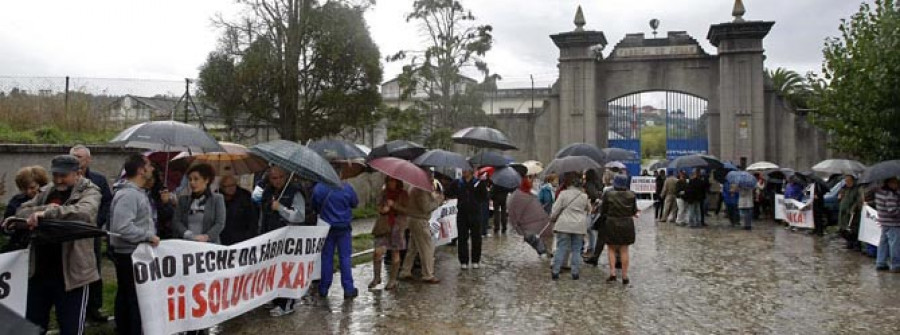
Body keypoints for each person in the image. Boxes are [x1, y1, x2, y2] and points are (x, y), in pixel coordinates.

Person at [4, 155, 102, 335]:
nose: (58, 180)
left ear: (78, 173)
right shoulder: (48, 190)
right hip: (39, 272)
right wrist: (42, 211)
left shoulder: (90, 191)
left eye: (63, 176)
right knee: (33, 326)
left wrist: (47, 214)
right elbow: (22, 210)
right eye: (55, 175)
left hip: (73, 276)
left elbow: (84, 213)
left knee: (71, 329)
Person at [109, 154, 160, 335]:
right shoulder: (130, 194)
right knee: (134, 299)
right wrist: (148, 236)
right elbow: (121, 227)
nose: (152, 169)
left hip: (132, 253)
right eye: (149, 166)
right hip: (130, 255)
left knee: (128, 296)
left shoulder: (134, 192)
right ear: (140, 170)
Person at [69, 145, 113, 323]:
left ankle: (93, 307)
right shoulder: (66, 179)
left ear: (88, 159)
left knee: (93, 270)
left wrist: (97, 222)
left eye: (79, 157)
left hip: (91, 231)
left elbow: (107, 203)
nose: (76, 160)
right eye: (73, 156)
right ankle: (73, 306)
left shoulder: (98, 180)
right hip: (71, 232)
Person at [258, 166, 307, 316]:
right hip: (270, 236)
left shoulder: (294, 192)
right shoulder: (267, 192)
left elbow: (299, 216)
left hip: (288, 239)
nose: (278, 181)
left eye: (281, 177)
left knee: (286, 271)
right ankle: (275, 298)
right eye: (274, 178)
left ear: (286, 176)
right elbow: (263, 214)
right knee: (272, 270)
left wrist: (280, 208)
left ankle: (287, 303)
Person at [313, 163, 360, 299]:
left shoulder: (319, 188)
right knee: (345, 258)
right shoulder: (347, 188)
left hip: (326, 229)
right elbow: (355, 203)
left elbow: (315, 205)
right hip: (344, 228)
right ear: (340, 173)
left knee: (326, 258)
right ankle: (348, 289)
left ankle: (323, 288)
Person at [395, 176, 444, 285]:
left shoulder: (414, 186)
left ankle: (405, 271)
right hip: (419, 220)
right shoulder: (421, 189)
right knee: (427, 247)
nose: (432, 180)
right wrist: (438, 201)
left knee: (413, 248)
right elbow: (426, 207)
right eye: (430, 177)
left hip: (413, 219)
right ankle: (428, 274)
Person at [370, 176, 409, 290]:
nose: (391, 183)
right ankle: (377, 277)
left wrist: (394, 205)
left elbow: (407, 210)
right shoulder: (383, 192)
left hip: (397, 226)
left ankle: (393, 280)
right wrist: (383, 209)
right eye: (389, 181)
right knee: (377, 252)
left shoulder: (404, 194)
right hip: (383, 226)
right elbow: (378, 206)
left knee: (395, 253)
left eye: (394, 181)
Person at [549, 172, 590, 281]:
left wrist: (552, 218)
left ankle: (555, 271)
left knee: (561, 248)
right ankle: (575, 273)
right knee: (576, 249)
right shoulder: (584, 196)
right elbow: (589, 210)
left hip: (564, 224)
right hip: (579, 226)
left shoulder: (563, 194)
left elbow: (555, 209)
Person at [447, 169, 488, 269]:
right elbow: (448, 192)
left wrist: (480, 189)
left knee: (476, 238)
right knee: (462, 238)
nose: (464, 172)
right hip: (462, 214)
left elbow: (484, 197)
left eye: (466, 170)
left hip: (475, 214)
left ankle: (475, 260)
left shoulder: (478, 183)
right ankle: (463, 261)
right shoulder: (457, 183)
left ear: (471, 171)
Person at [602, 175, 638, 285]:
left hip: (612, 222)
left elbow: (603, 210)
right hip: (626, 223)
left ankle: (612, 272)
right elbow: (634, 211)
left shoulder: (608, 194)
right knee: (624, 249)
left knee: (611, 248)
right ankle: (624, 275)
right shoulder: (632, 195)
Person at [219, 175, 258, 245]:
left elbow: (253, 219)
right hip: (223, 238)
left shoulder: (245, 196)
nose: (231, 188)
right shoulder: (217, 197)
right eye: (227, 186)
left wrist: (249, 237)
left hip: (242, 238)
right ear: (222, 187)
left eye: (233, 185)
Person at [874, 177, 900, 273]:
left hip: (883, 221)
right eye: (896, 183)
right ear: (890, 183)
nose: (897, 185)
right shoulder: (890, 195)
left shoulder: (879, 192)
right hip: (893, 223)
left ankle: (880, 263)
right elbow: (892, 210)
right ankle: (896, 265)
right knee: (895, 245)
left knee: (883, 243)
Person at [144, 163, 176, 240]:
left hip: (160, 234)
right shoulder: (141, 193)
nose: (148, 182)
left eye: (151, 179)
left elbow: (168, 215)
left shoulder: (160, 192)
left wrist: (166, 203)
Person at [838, 174, 863, 249]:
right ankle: (849, 242)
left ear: (852, 180)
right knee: (844, 229)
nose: (847, 182)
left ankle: (856, 244)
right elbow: (841, 199)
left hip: (853, 213)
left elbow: (858, 200)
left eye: (848, 180)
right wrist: (840, 197)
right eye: (846, 181)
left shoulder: (857, 188)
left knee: (854, 229)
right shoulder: (844, 188)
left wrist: (853, 208)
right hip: (844, 212)